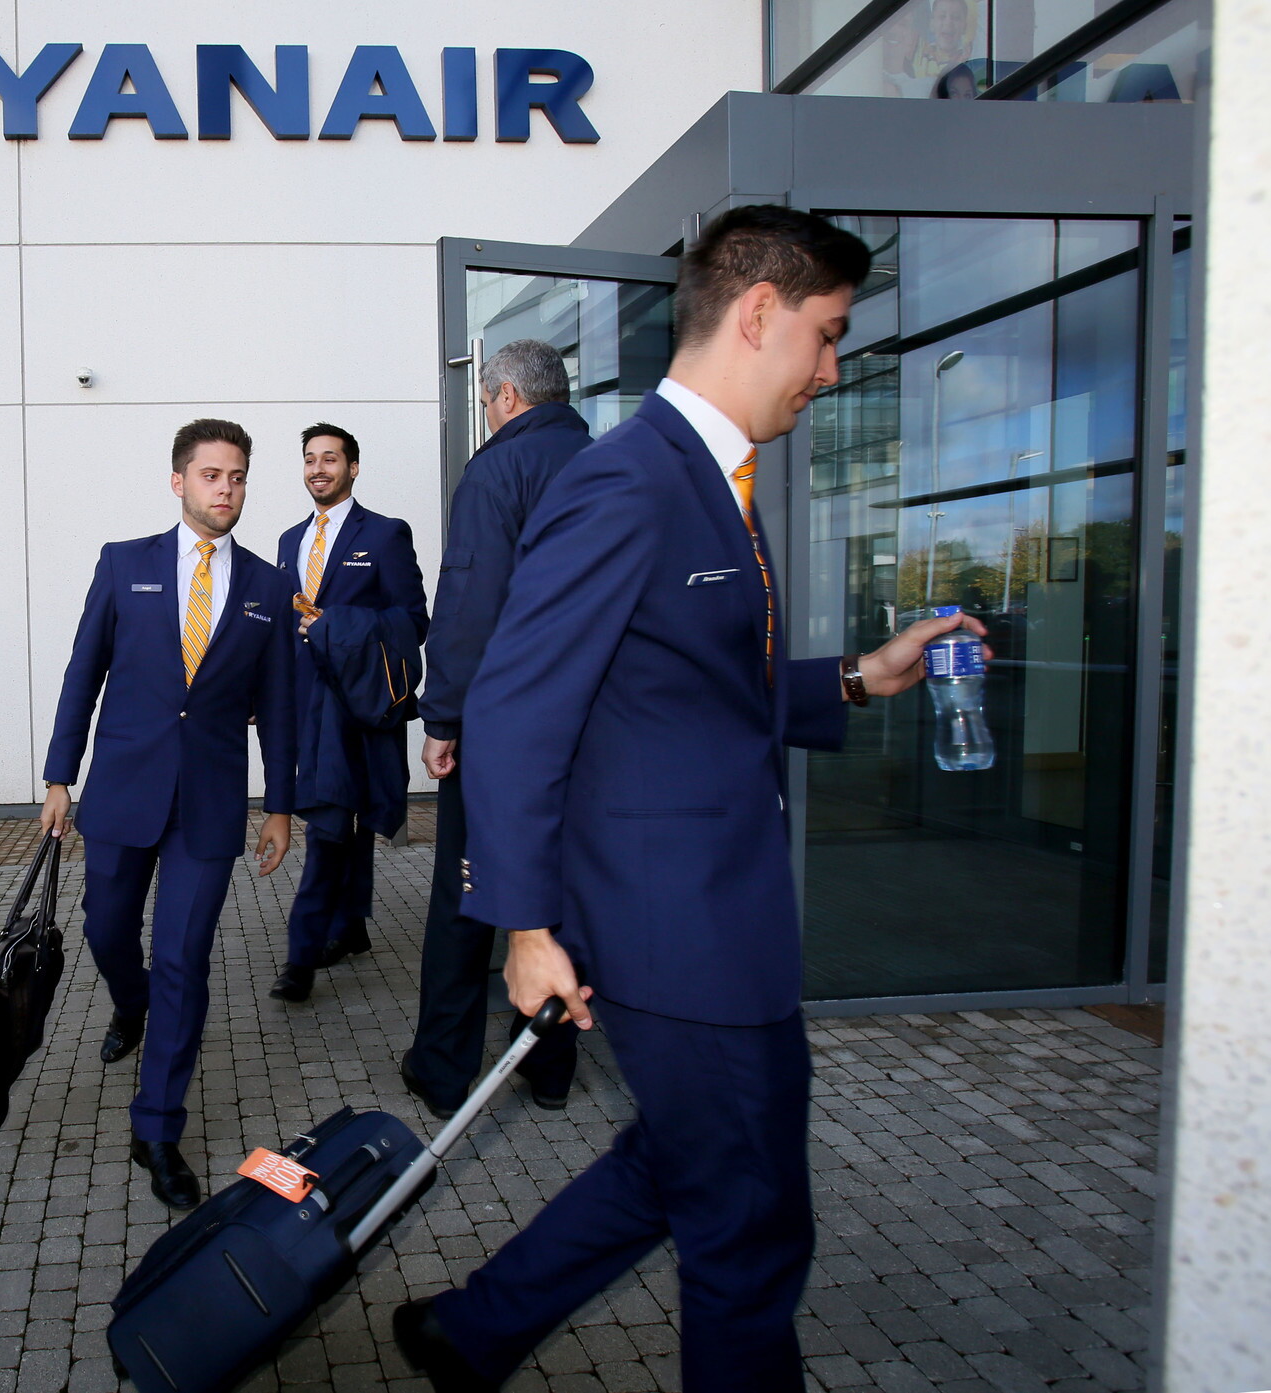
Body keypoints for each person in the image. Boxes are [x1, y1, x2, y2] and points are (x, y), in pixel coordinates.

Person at [390, 206, 989, 1390]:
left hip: (717, 917)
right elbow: (514, 708)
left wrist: (857, 677)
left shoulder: (712, 480)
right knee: (750, 1225)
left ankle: (472, 1329)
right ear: (759, 311)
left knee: (685, 1162)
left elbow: (692, 688)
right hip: (675, 931)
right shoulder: (627, 481)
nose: (831, 368)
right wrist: (524, 928)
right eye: (827, 334)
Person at [39, 418, 296, 1212]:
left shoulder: (266, 585)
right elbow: (83, 671)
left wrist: (280, 805)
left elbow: (280, 704)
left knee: (184, 957)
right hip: (122, 788)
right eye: (212, 474)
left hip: (208, 804)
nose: (227, 488)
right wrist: (59, 776)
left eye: (238, 476)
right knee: (104, 929)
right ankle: (130, 1000)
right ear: (179, 480)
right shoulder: (124, 564)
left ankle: (156, 1126)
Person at [399, 339, 587, 1118]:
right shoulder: (607, 465)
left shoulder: (498, 469)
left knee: (465, 890)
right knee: (559, 890)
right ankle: (548, 1068)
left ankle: (442, 1071)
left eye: (483, 401)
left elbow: (469, 606)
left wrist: (441, 717)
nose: (486, 412)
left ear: (506, 396)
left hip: (504, 728)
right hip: (589, 728)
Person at [269, 424, 427, 1003]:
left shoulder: (385, 534)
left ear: (352, 468)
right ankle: (352, 924)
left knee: (331, 823)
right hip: (306, 705)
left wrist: (334, 625)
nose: (318, 469)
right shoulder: (289, 540)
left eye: (330, 459)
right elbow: (282, 628)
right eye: (310, 459)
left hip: (356, 705)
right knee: (346, 815)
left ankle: (301, 956)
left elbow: (414, 621)